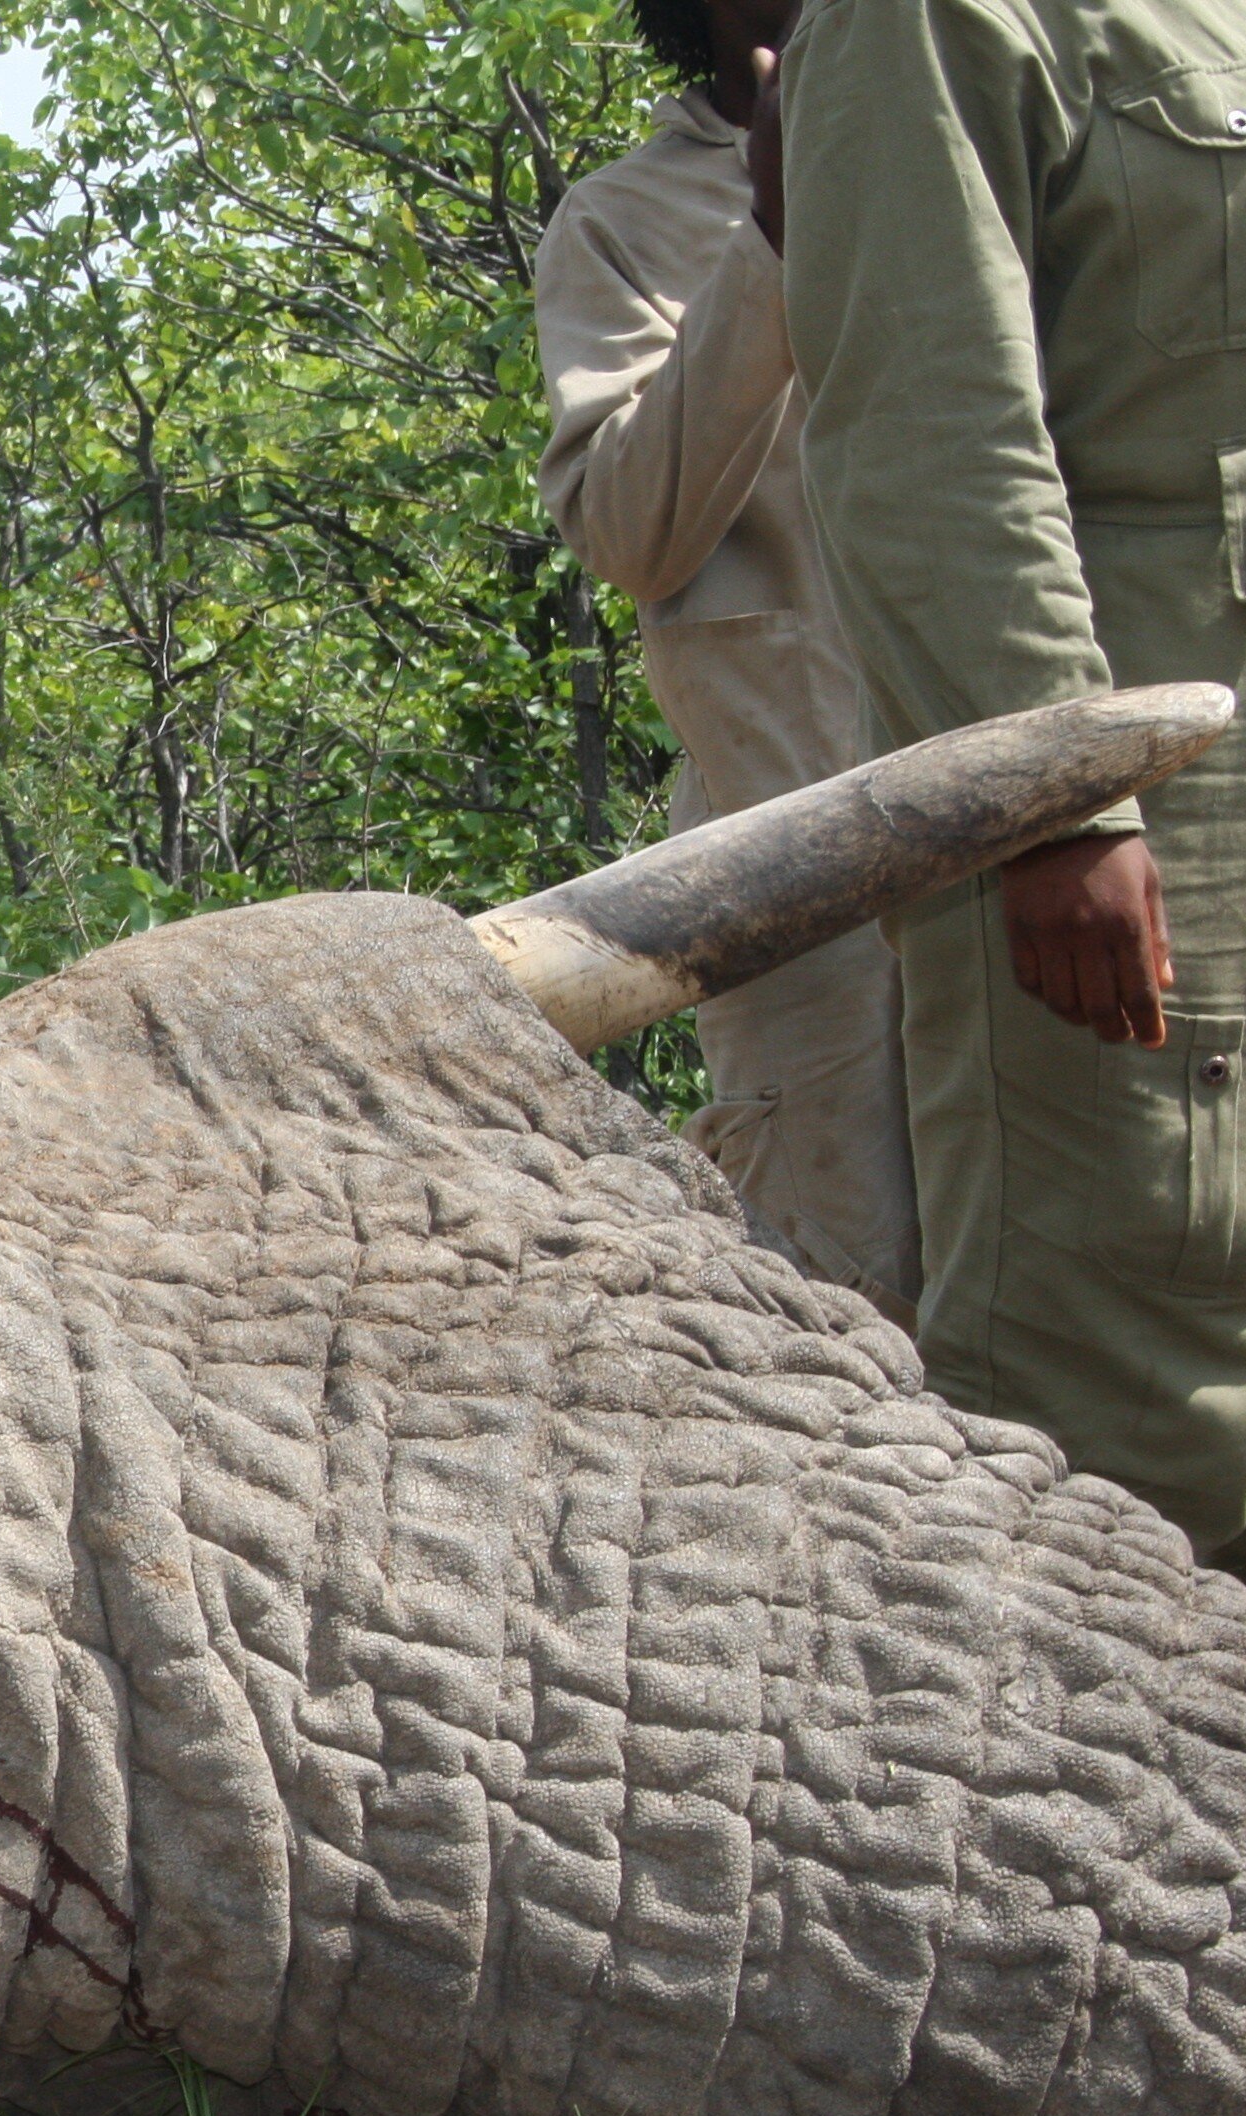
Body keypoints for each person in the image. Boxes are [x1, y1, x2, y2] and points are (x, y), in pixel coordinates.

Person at [782, 0, 1246, 1656]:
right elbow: (924, 433)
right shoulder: (929, 23)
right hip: (1147, 832)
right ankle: (1002, 1880)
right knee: (1116, 1416)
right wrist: (1052, 805)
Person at [535, 0, 919, 1315]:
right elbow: (633, 529)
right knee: (861, 1338)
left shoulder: (990, 145)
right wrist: (770, 238)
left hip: (1064, 862)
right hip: (807, 911)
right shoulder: (627, 220)